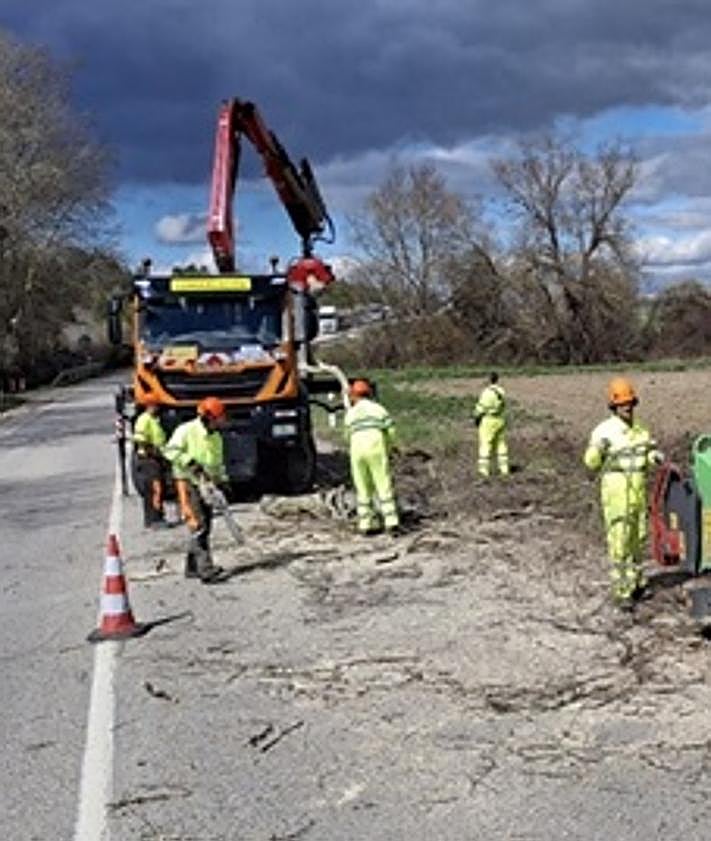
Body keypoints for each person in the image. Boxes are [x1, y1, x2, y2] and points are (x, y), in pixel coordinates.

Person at [583, 377, 663, 610]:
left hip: (637, 489)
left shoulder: (641, 429)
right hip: (616, 491)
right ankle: (622, 591)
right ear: (614, 406)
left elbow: (646, 458)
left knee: (638, 537)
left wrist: (654, 458)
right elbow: (590, 463)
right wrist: (599, 449)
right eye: (622, 403)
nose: (626, 407)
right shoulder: (603, 431)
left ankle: (637, 582)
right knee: (620, 540)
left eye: (629, 402)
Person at [163, 396, 230, 583]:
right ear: (208, 417)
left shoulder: (215, 437)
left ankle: (192, 567)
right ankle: (206, 570)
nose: (222, 421)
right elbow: (170, 451)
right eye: (219, 418)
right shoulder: (186, 430)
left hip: (206, 485)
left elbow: (217, 464)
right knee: (199, 526)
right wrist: (190, 463)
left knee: (205, 525)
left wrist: (222, 481)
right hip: (188, 482)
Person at [343, 379, 400, 536]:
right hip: (376, 450)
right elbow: (391, 431)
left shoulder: (351, 413)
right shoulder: (379, 409)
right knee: (383, 485)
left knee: (362, 488)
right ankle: (391, 522)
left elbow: (347, 435)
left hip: (357, 453)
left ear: (354, 396)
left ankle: (366, 524)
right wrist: (389, 447)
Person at [132, 396, 168, 528]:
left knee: (157, 488)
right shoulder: (144, 419)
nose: (157, 407)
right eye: (155, 405)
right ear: (149, 405)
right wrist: (153, 451)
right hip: (148, 459)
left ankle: (155, 517)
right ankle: (155, 519)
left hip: (155, 458)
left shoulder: (153, 420)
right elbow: (140, 440)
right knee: (154, 489)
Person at [473, 372, 509, 477]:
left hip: (488, 420)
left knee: (485, 445)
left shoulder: (486, 393)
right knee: (501, 444)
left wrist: (476, 417)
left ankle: (483, 471)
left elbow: (480, 408)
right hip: (500, 419)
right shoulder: (502, 391)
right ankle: (504, 469)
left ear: (488, 380)